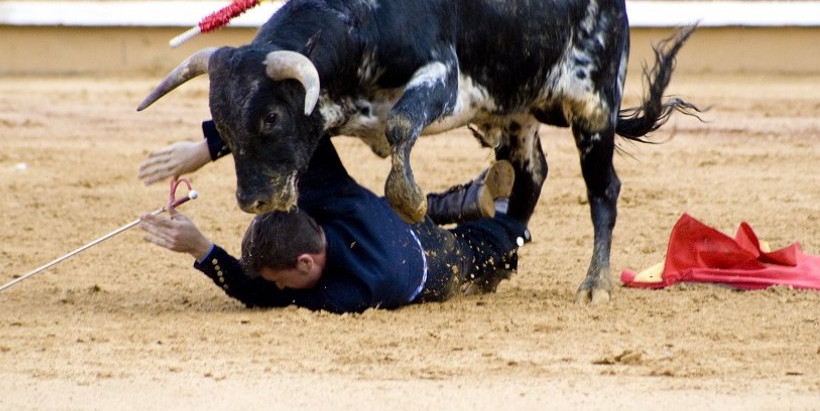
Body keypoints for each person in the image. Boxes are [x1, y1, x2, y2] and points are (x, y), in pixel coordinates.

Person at [138, 124, 529, 313]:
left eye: (280, 277)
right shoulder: (325, 192)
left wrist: (201, 247)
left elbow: (260, 297)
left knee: (485, 245)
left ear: (305, 262)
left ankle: (503, 218)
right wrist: (207, 148)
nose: (278, 285)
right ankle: (452, 203)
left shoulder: (357, 290)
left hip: (432, 262)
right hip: (386, 219)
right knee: (403, 207)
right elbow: (281, 118)